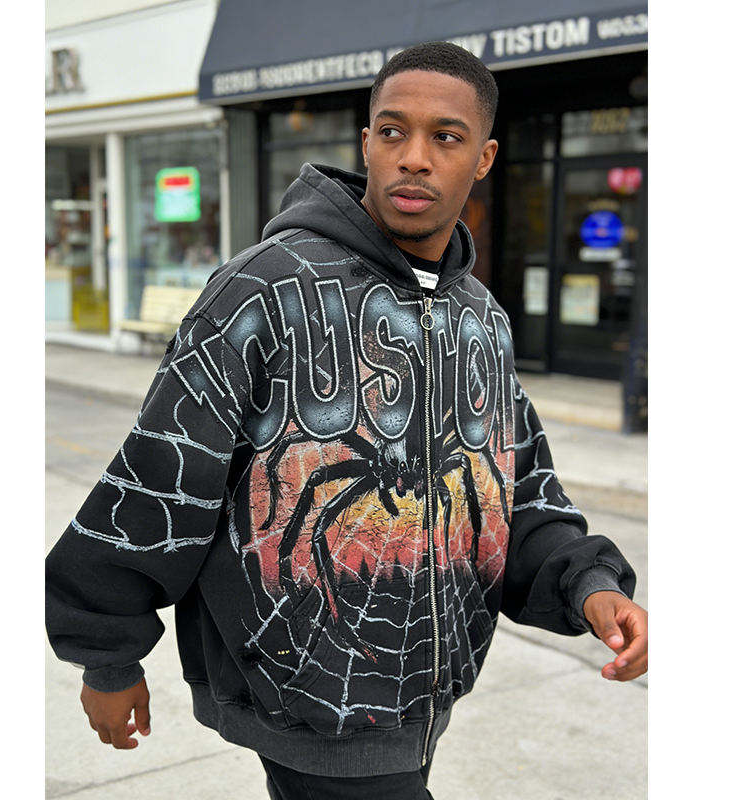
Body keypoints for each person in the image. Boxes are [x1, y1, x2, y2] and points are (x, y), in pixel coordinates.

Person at [45, 41, 648, 800]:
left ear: (485, 158)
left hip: (424, 701)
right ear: (366, 144)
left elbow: (512, 491)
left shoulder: (482, 318)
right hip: (302, 704)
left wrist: (588, 582)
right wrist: (107, 653)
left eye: (446, 137)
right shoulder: (264, 290)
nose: (414, 157)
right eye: (392, 132)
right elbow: (161, 473)